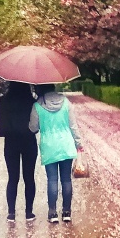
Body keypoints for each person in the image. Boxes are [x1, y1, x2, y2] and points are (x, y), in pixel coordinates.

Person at [29, 83, 82, 224]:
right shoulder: (66, 102)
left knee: (52, 180)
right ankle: (67, 212)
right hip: (66, 144)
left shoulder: (37, 106)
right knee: (66, 180)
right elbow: (73, 125)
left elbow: (33, 128)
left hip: (49, 146)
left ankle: (52, 213)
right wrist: (78, 143)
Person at [0, 81, 38, 222]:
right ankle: (29, 212)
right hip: (28, 142)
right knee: (29, 177)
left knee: (13, 178)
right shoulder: (32, 101)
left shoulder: (3, 100)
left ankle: (11, 213)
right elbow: (36, 124)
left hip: (11, 142)